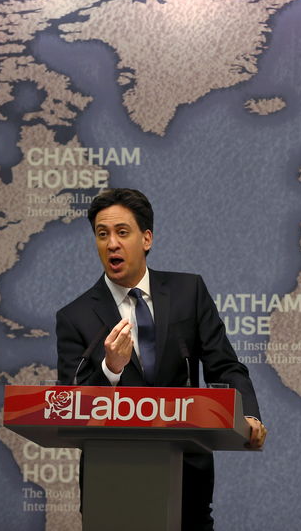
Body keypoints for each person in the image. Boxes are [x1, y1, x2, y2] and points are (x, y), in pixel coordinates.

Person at [56, 187, 266, 530]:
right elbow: (70, 402)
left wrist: (249, 416)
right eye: (102, 234)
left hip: (186, 472)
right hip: (111, 479)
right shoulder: (75, 317)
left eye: (122, 233)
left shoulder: (189, 293)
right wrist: (111, 368)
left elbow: (224, 365)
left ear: (146, 238)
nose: (111, 244)